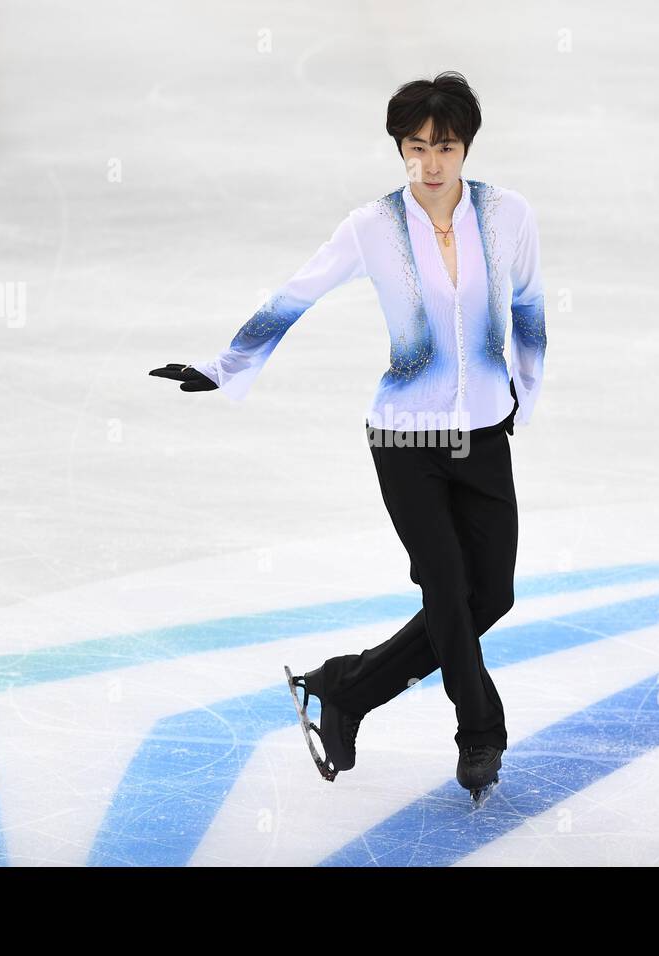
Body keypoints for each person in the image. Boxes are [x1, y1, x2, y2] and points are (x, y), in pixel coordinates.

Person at [150, 71, 546, 800]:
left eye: (446, 147)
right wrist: (224, 365)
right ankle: (480, 733)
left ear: (467, 147)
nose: (430, 164)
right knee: (449, 590)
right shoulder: (374, 226)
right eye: (416, 147)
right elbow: (296, 293)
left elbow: (527, 305)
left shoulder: (508, 216)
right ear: (400, 146)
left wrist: (524, 392)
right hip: (404, 443)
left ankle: (348, 687)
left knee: (491, 595)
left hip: (485, 436)